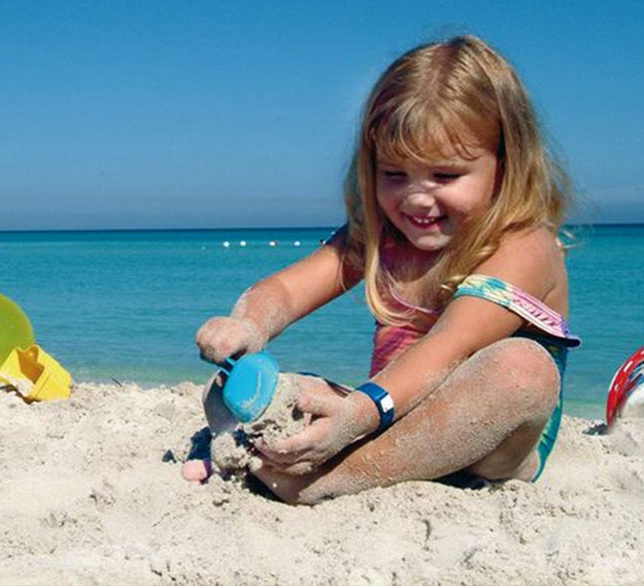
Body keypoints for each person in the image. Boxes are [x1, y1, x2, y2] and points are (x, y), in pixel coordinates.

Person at [186, 35, 579, 505]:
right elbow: (290, 290)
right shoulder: (384, 236)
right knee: (230, 384)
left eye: (445, 175)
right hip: (389, 418)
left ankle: (322, 482)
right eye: (394, 175)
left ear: (506, 162)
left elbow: (448, 350)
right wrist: (249, 323)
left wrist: (358, 413)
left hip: (486, 443)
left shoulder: (525, 245)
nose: (415, 198)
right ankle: (283, 458)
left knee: (522, 370)